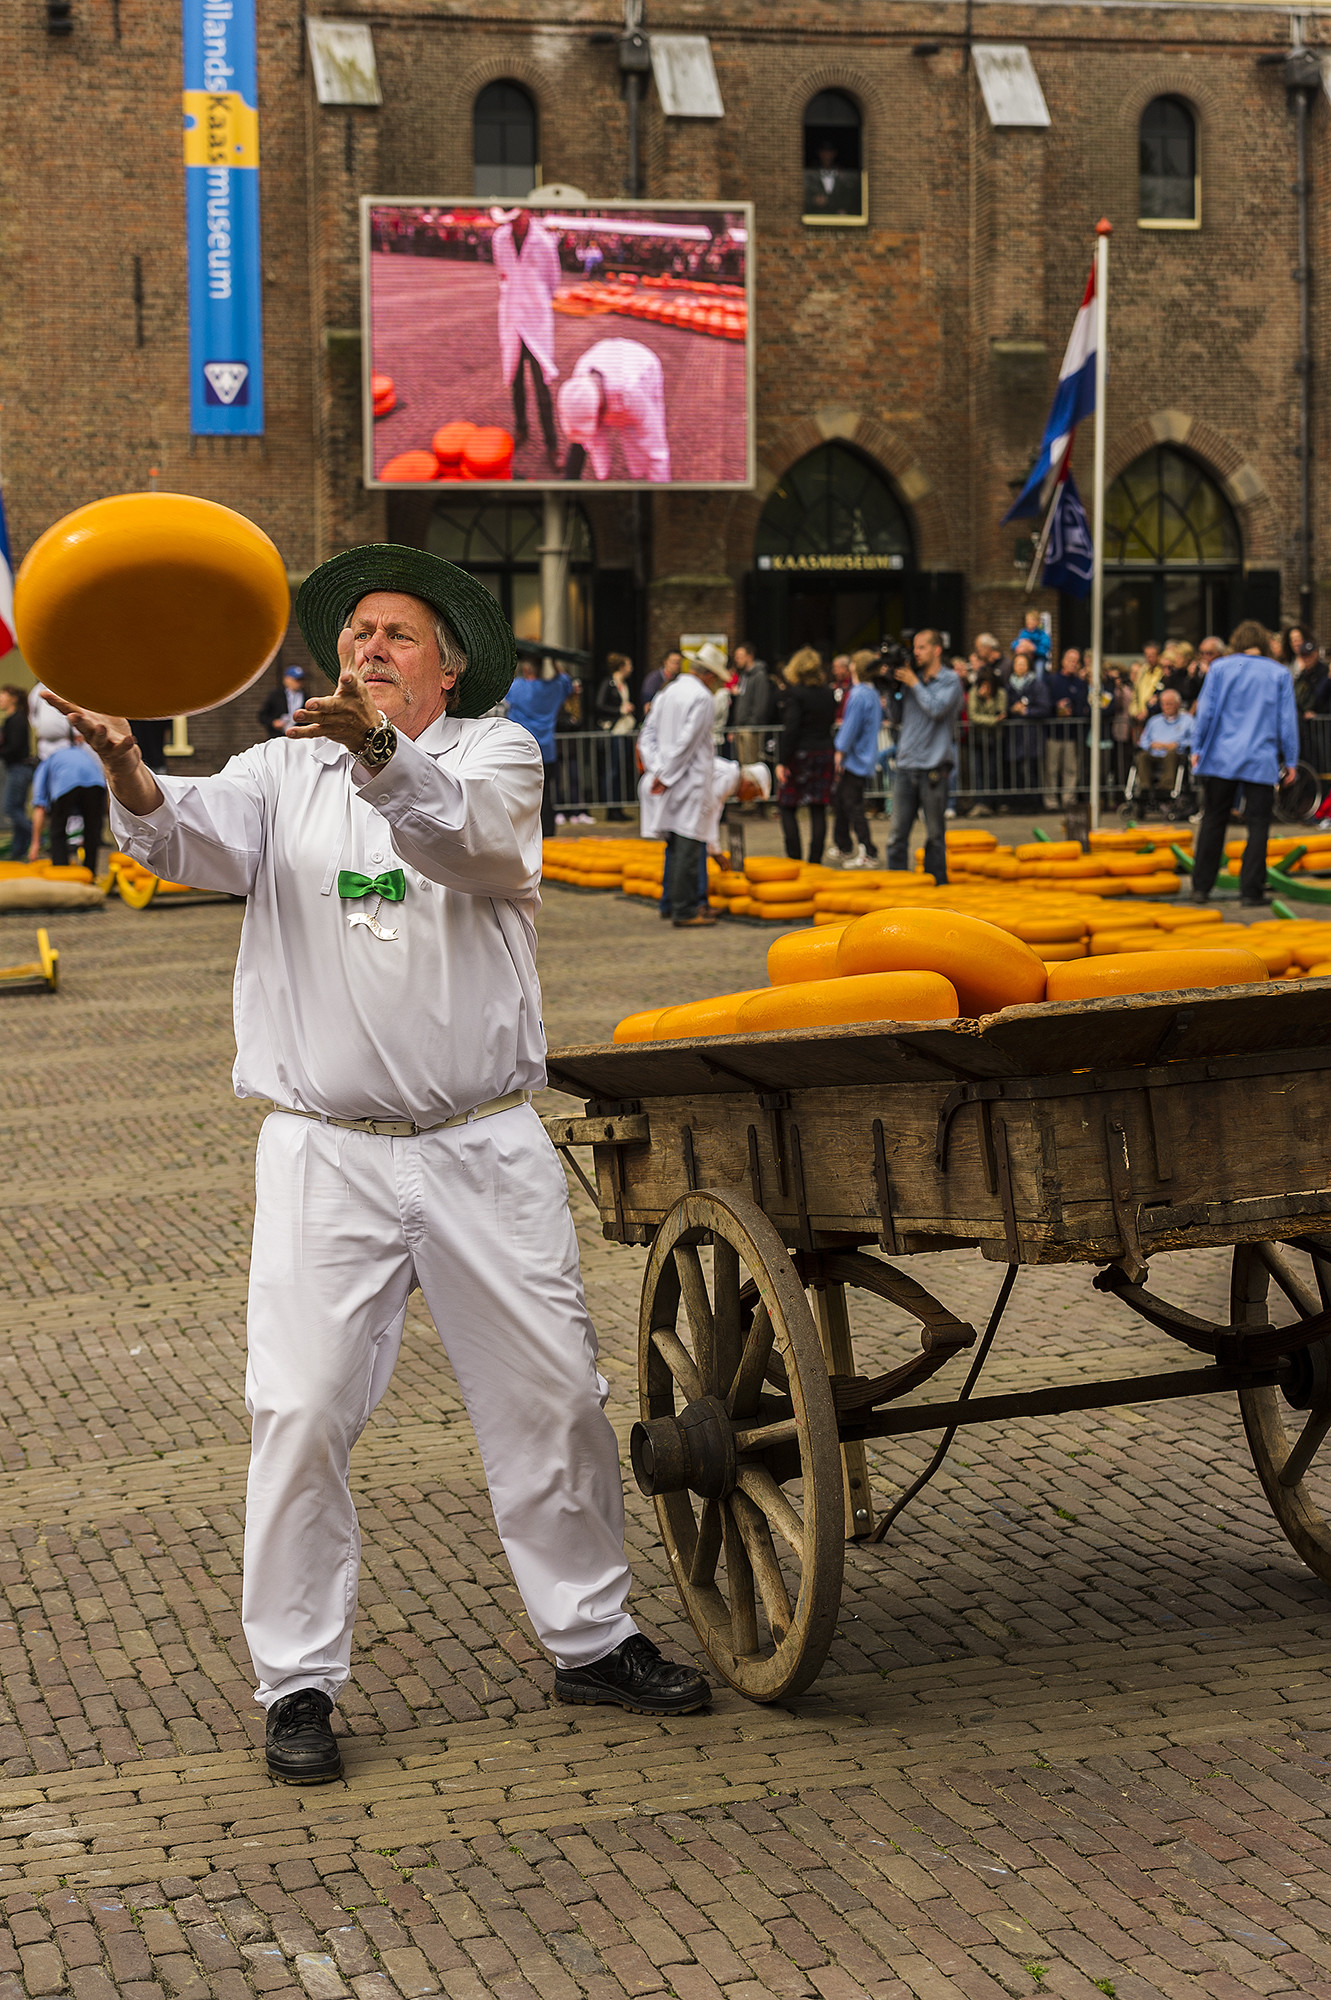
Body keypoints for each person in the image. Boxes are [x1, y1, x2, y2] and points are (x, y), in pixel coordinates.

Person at [55, 545, 709, 1784]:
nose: (367, 649)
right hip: (324, 1154)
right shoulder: (276, 768)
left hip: (481, 1143)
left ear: (448, 663)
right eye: (355, 632)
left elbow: (472, 845)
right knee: (297, 1408)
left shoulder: (495, 755)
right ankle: (296, 1680)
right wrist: (128, 764)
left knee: (551, 1398)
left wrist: (375, 751)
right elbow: (183, 842)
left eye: (396, 634)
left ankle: (590, 1635)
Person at [1190, 620, 1300, 907]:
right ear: (1264, 642)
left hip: (1221, 756)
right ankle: (1251, 891)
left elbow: (1205, 711)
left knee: (1213, 819)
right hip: (1259, 758)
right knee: (1259, 824)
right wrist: (1290, 760)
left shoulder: (1220, 668)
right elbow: (1287, 721)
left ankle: (1201, 887)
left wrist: (1197, 746)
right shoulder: (1278, 673)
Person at [639, 643, 731, 927]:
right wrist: (665, 776)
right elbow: (688, 744)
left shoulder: (667, 692)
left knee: (676, 845)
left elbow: (646, 736)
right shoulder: (702, 697)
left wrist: (657, 770)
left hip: (669, 779)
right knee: (689, 846)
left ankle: (673, 903)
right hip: (688, 781)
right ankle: (685, 909)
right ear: (711, 676)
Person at [886, 629, 964, 884]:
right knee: (897, 836)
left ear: (936, 650)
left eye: (921, 647)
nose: (916, 653)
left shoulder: (950, 680)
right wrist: (893, 687)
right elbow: (896, 716)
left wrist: (913, 683)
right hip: (906, 765)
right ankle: (896, 890)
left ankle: (936, 888)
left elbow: (937, 709)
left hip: (933, 768)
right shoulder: (912, 679)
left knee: (934, 836)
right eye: (915, 648)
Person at [492, 209, 562, 463]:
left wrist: (535, 298)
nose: (513, 225)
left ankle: (552, 444)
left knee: (541, 384)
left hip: (535, 319)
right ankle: (521, 427)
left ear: (527, 214)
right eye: (509, 220)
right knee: (515, 380)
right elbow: (502, 272)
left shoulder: (543, 241)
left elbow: (553, 279)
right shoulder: (499, 238)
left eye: (516, 218)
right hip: (512, 317)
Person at [557, 338, 671, 483]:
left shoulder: (631, 392)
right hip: (607, 357)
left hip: (643, 365)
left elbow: (656, 449)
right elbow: (594, 441)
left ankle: (643, 482)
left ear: (600, 410)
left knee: (637, 439)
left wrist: (660, 493)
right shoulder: (579, 381)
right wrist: (603, 478)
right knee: (589, 438)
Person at [775, 648, 838, 864]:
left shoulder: (795, 694)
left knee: (787, 804)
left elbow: (791, 729)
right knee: (818, 806)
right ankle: (814, 860)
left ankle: (795, 858)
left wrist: (782, 761)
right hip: (824, 751)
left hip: (801, 753)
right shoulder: (828, 692)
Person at [504, 658, 571, 838]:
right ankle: (547, 833)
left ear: (526, 669)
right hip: (546, 750)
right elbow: (566, 682)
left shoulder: (517, 687)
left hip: (521, 750)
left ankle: (525, 835)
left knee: (519, 795)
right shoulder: (553, 688)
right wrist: (554, 661)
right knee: (546, 794)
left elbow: (503, 691)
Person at [29, 730, 107, 874]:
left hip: (67, 782)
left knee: (58, 828)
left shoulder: (45, 765)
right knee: (92, 829)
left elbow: (40, 807)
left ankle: (61, 870)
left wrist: (35, 844)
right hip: (97, 783)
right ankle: (90, 872)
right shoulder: (79, 753)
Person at [832, 656, 882, 865]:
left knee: (853, 804)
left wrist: (840, 750)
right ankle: (844, 845)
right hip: (865, 755)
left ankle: (868, 850)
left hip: (855, 758)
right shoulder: (872, 693)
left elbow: (851, 726)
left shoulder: (858, 694)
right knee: (843, 801)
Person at [1031, 649, 1088, 809]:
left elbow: (1083, 706)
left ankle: (1068, 799)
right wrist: (1057, 708)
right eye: (1070, 660)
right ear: (1063, 661)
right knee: (1051, 769)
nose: (1073, 663)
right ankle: (1051, 801)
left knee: (1071, 768)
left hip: (1071, 734)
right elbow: (1045, 703)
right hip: (1053, 732)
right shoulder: (1052, 680)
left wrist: (1073, 710)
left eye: (1076, 661)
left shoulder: (1080, 684)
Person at [1134, 688, 1194, 815]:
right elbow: (1143, 740)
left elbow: (1194, 739)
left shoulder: (1188, 720)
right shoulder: (1154, 721)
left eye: (1170, 703)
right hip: (1154, 753)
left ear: (1178, 704)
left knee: (1171, 755)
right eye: (1164, 704)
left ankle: (1165, 789)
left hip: (1175, 753)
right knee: (1142, 756)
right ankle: (1144, 788)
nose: (1166, 707)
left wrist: (1177, 744)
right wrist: (1151, 745)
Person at [594, 653, 635, 821]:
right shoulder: (608, 683)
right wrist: (619, 710)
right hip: (614, 731)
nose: (631, 669)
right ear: (621, 667)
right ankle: (611, 808)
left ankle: (617, 807)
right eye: (628, 665)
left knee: (619, 770)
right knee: (612, 770)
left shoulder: (622, 684)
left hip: (623, 730)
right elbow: (599, 704)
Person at [729, 644, 776, 776]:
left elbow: (761, 703)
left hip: (751, 728)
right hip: (741, 726)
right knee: (743, 765)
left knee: (752, 765)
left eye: (740, 657)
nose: (737, 660)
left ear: (749, 657)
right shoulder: (744, 676)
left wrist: (752, 723)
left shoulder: (759, 675)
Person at [966, 669, 1007, 812]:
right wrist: (993, 720)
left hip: (994, 739)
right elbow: (973, 715)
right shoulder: (974, 693)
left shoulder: (1000, 694)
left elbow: (1001, 714)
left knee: (993, 771)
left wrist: (989, 700)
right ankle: (980, 803)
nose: (985, 689)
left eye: (989, 685)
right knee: (977, 771)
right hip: (978, 739)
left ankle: (992, 803)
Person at [0, 686, 34, 860]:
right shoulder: (11, 719)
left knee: (11, 808)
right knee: (17, 808)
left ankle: (37, 837)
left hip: (20, 769)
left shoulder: (17, 719)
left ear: (13, 698)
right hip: (17, 768)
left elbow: (14, 747)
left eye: (3, 695)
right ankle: (18, 850)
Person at [259, 665, 307, 737]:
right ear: (286, 679)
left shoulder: (306, 697)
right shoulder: (275, 695)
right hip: (278, 736)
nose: (298, 683)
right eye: (295, 679)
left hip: (298, 737)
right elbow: (262, 716)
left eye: (300, 680)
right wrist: (273, 722)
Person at [28, 686, 72, 762]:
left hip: (67, 742)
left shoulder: (67, 685)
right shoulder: (37, 689)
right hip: (44, 745)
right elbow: (31, 712)